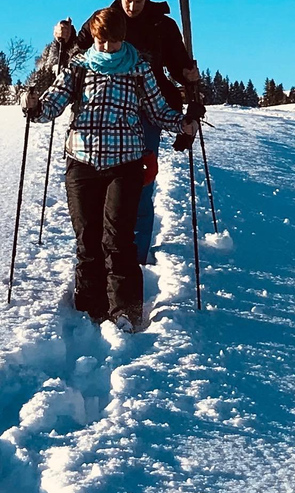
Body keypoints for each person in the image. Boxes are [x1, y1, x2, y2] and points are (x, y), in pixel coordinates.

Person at [23, 7, 199, 332]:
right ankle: (89, 309)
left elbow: (158, 110)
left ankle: (126, 311)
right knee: (87, 238)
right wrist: (34, 107)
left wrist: (183, 123)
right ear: (95, 38)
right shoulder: (79, 67)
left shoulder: (139, 68)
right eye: (102, 42)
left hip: (125, 163)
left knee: (118, 237)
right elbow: (53, 103)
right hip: (82, 161)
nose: (106, 49)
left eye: (113, 42)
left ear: (123, 38)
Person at [54, 0, 200, 265]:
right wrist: (63, 38)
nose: (132, 5)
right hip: (101, 118)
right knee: (101, 193)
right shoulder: (102, 19)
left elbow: (178, 63)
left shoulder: (161, 24)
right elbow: (76, 55)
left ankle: (134, 258)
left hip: (147, 111)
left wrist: (188, 74)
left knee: (141, 185)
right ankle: (101, 258)